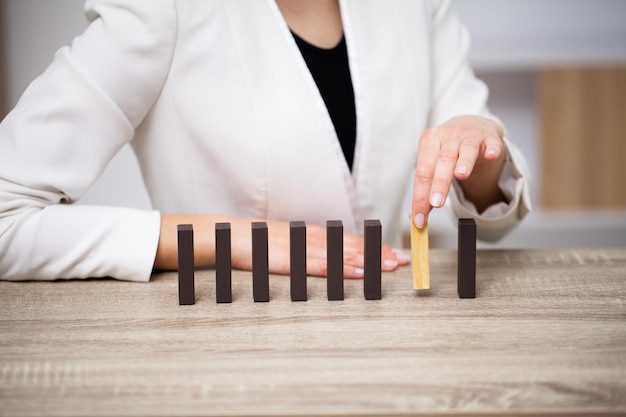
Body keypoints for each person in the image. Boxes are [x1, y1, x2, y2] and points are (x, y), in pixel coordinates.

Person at [0, 0, 530, 282]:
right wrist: (227, 238)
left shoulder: (415, 4)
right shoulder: (158, 8)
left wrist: (482, 147)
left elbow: (494, 215)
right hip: (225, 346)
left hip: (393, 341)